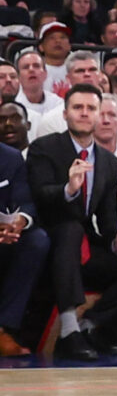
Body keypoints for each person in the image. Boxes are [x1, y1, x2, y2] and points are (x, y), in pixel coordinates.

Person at [28, 84, 117, 360]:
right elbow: (39, 195)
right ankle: (68, 329)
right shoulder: (45, 148)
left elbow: (108, 216)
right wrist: (69, 189)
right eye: (78, 108)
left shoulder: (109, 162)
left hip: (85, 244)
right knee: (70, 229)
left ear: (100, 115)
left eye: (91, 108)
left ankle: (88, 325)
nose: (84, 113)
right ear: (65, 114)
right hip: (49, 239)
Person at [0, 118, 44, 358]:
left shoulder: (11, 157)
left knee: (37, 241)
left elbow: (25, 200)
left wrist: (19, 222)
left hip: (5, 235)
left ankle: (3, 328)